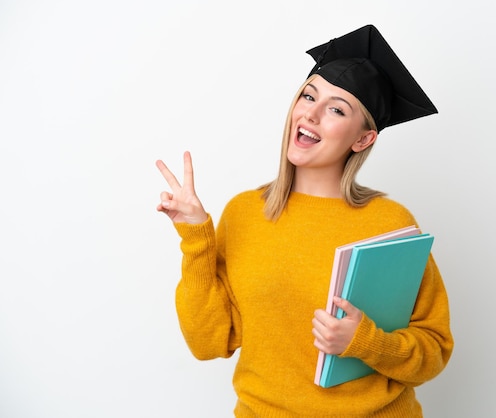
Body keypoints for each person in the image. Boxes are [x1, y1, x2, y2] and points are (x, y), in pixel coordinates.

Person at [156, 24, 453, 417]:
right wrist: (195, 235)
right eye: (308, 95)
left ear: (362, 139)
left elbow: (433, 351)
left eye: (336, 108)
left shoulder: (390, 223)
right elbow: (209, 342)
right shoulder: (245, 213)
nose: (310, 113)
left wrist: (364, 341)